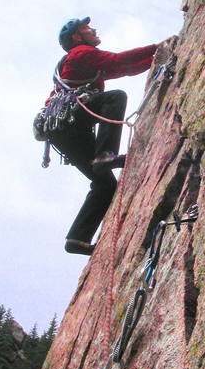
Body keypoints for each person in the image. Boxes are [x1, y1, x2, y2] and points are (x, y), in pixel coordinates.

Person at [46, 16, 165, 256]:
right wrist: (159, 48)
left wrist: (157, 59)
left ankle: (77, 239)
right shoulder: (81, 53)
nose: (94, 29)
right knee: (115, 97)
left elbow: (123, 68)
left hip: (65, 131)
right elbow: (119, 61)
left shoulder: (87, 64)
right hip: (69, 120)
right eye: (87, 28)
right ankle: (105, 155)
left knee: (105, 184)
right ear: (77, 37)